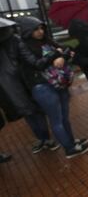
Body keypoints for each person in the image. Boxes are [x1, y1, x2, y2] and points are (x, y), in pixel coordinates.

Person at [18, 16, 88, 159]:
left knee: (64, 117)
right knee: (56, 119)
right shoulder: (24, 46)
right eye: (36, 29)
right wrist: (56, 54)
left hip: (59, 82)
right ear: (28, 31)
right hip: (42, 86)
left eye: (41, 28)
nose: (40, 32)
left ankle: (71, 141)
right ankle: (69, 148)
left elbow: (67, 49)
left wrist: (62, 56)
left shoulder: (46, 40)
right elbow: (37, 64)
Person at [0, 17, 60, 154]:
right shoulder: (14, 39)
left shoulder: (13, 40)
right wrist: (52, 55)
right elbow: (33, 62)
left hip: (8, 87)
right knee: (34, 111)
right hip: (24, 81)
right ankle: (46, 139)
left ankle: (42, 138)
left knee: (28, 113)